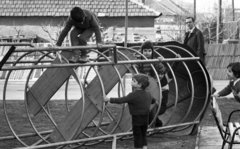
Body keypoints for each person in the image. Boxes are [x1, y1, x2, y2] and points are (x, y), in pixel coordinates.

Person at [104, 74, 154, 149]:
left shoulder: (133, 95)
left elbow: (121, 100)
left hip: (137, 119)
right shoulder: (148, 93)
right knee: (143, 135)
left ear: (139, 85)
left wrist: (109, 99)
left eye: (134, 81)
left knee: (137, 135)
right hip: (146, 118)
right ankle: (145, 147)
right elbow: (153, 101)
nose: (131, 82)